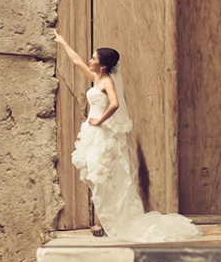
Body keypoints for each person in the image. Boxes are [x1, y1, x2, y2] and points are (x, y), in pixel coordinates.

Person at [54, 31, 200, 242]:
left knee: (101, 175)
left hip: (102, 134)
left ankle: (102, 222)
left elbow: (115, 104)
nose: (90, 61)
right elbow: (77, 62)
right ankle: (102, 220)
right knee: (95, 175)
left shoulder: (107, 82)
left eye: (93, 59)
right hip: (91, 134)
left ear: (103, 66)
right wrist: (63, 42)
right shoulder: (96, 78)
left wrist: (100, 120)